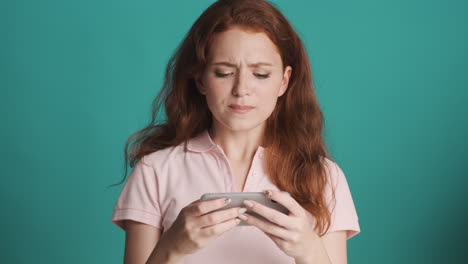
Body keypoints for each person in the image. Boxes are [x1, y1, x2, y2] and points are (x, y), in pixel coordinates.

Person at [110, 0, 361, 263]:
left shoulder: (324, 177)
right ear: (200, 79)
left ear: (284, 81)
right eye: (224, 72)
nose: (242, 89)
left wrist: (309, 251)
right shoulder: (155, 171)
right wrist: (171, 247)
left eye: (261, 74)